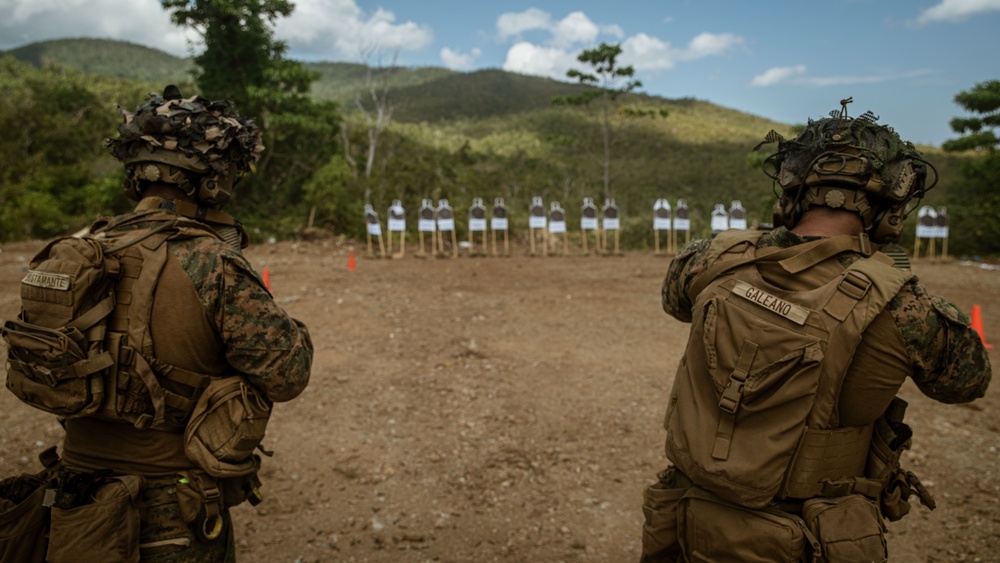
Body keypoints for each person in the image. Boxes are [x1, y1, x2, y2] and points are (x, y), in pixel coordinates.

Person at [640, 101, 991, 562]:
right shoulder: (906, 308)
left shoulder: (716, 259)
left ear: (790, 194)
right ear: (891, 212)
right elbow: (968, 382)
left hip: (688, 520)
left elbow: (675, 301)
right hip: (809, 536)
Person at [3, 86, 312, 562]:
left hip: (73, 498)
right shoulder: (212, 261)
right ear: (214, 183)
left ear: (134, 178)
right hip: (169, 506)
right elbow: (288, 374)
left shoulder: (82, 249)